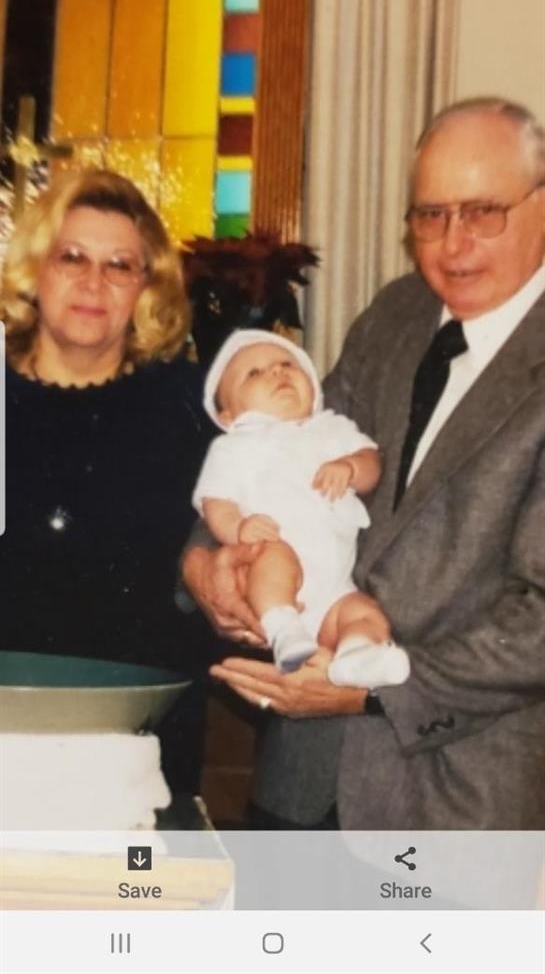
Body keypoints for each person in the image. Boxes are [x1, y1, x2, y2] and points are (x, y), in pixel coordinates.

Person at [183, 97, 545, 829]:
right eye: (429, 214)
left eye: (482, 211)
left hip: (458, 803)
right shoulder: (395, 313)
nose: (451, 242)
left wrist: (377, 691)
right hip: (301, 774)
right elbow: (276, 443)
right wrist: (205, 568)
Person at [1, 169, 217, 793]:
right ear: (34, 271)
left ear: (146, 288)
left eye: (120, 265)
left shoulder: (192, 406)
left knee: (137, 891)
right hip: (4, 745)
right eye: (72, 257)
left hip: (136, 756)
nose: (94, 282)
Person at [193, 328, 409, 686]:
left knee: (362, 611)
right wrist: (238, 530)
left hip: (337, 583)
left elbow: (373, 464)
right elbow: (215, 502)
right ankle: (284, 631)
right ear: (228, 413)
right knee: (276, 557)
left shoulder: (332, 428)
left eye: (287, 364)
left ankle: (358, 654)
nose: (277, 373)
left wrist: (352, 467)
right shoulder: (233, 447)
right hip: (274, 556)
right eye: (255, 373)